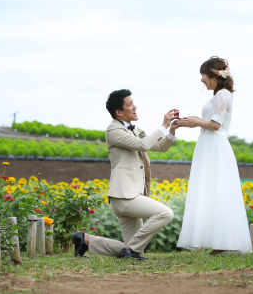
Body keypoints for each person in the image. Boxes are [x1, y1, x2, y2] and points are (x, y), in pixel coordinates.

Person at [71, 89, 182, 260]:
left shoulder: (134, 130)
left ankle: (85, 241)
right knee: (165, 213)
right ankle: (129, 250)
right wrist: (163, 124)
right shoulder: (113, 131)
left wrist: (171, 130)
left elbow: (160, 147)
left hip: (133, 194)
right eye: (130, 104)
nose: (135, 106)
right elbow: (143, 144)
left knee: (136, 250)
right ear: (119, 112)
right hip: (123, 196)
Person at [176, 56, 253, 255]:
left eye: (203, 74)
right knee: (210, 189)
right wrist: (193, 121)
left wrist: (195, 121)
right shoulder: (218, 95)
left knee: (219, 189)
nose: (201, 79)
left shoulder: (223, 95)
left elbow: (216, 124)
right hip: (208, 144)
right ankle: (218, 242)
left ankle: (224, 244)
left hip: (215, 143)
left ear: (214, 75)